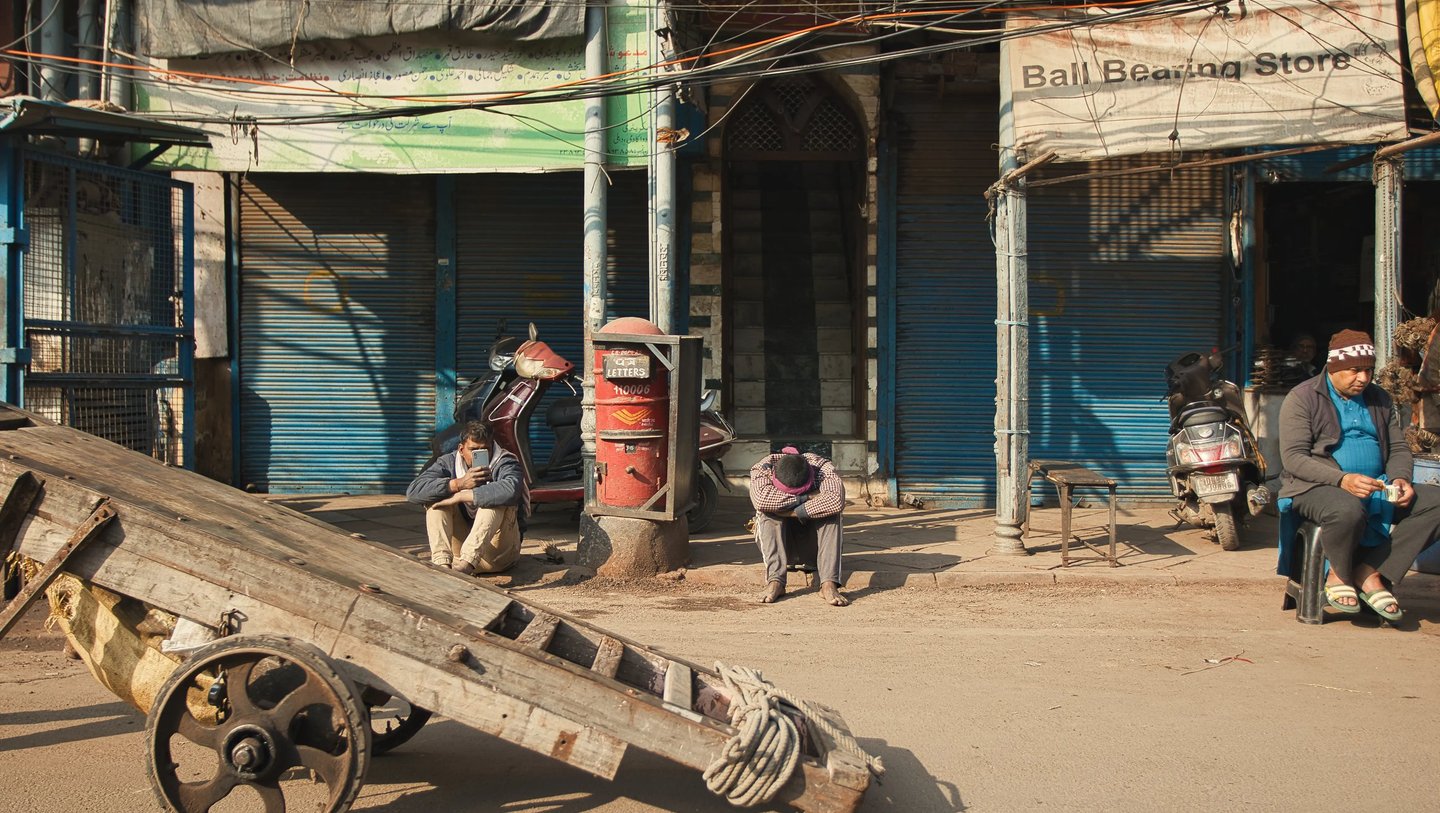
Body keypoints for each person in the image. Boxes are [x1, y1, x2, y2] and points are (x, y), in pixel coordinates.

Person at [1279, 329, 1440, 620]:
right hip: (1314, 486)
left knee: (1436, 502)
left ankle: (1372, 570)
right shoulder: (1302, 398)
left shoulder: (1379, 398)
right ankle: (1338, 574)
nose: (1363, 378)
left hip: (1378, 484)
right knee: (1346, 508)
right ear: (1334, 367)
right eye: (1355, 371)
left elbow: (1399, 448)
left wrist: (1401, 478)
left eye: (1368, 371)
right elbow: (1294, 459)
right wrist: (1342, 480)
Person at [406, 420, 528, 574]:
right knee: (436, 501)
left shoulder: (505, 462)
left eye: (485, 450)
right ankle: (441, 565)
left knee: (495, 500)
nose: (480, 454)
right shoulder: (447, 462)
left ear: (492, 447)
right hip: (458, 556)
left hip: (499, 557)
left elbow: (511, 489)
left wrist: (462, 496)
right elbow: (414, 491)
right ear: (461, 449)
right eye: (474, 450)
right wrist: (457, 484)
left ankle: (468, 563)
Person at [748, 446, 848, 606]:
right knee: (766, 512)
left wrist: (791, 510)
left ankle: (828, 584)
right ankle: (776, 581)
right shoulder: (763, 468)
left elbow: (835, 500)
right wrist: (807, 498)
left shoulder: (822, 467)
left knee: (832, 515)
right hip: (781, 547)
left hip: (814, 548)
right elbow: (761, 500)